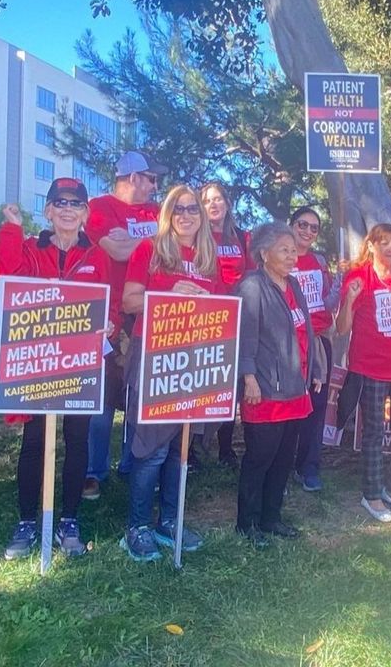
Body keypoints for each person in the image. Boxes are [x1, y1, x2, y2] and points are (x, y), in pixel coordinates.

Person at [0, 178, 110, 559]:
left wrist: (110, 324)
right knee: (34, 441)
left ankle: (69, 519)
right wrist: (12, 228)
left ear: (85, 213)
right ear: (47, 211)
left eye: (75, 204)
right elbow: (8, 276)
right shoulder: (30, 248)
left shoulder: (96, 256)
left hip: (80, 363)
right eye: (60, 202)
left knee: (77, 439)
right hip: (39, 362)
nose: (67, 209)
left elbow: (107, 302)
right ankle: (28, 520)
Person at [119, 185, 223, 561]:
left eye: (192, 209)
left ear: (202, 215)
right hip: (154, 355)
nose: (186, 215)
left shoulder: (209, 257)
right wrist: (167, 295)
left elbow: (220, 308)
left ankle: (169, 521)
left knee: (181, 445)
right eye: (178, 209)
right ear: (167, 213)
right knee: (152, 447)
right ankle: (138, 526)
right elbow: (129, 301)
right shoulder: (150, 249)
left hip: (193, 359)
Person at [235, 223, 326, 546]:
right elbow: (244, 336)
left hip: (295, 388)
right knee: (260, 458)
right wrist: (248, 378)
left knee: (284, 458)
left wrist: (315, 367)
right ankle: (247, 523)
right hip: (265, 389)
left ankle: (271, 518)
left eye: (293, 251)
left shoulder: (294, 285)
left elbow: (306, 330)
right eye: (284, 250)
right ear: (264, 254)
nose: (292, 256)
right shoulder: (252, 286)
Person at [82, 150, 167, 497]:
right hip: (107, 312)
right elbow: (116, 252)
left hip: (144, 310)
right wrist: (154, 241)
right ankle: (93, 471)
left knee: (140, 392)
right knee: (101, 397)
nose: (155, 186)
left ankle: (132, 463)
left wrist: (134, 241)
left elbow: (171, 249)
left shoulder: (158, 211)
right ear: (133, 177)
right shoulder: (99, 207)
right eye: (151, 179)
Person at [336, 223, 391, 523]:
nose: (390, 248)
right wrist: (350, 300)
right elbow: (342, 328)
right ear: (371, 246)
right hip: (371, 367)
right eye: (384, 242)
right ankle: (371, 494)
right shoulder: (358, 278)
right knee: (374, 431)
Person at [200, 181, 254, 467]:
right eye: (207, 200)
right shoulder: (196, 236)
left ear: (227, 203)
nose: (213, 204)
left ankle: (225, 447)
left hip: (238, 318)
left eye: (218, 198)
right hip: (206, 318)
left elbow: (252, 276)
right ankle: (193, 447)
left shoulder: (242, 238)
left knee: (231, 384)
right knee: (203, 382)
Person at [289, 207, 339, 492]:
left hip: (319, 341)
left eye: (314, 228)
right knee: (289, 403)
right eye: (302, 225)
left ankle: (308, 466)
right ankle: (282, 466)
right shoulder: (281, 257)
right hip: (290, 343)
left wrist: (343, 282)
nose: (307, 231)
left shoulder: (319, 261)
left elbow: (327, 301)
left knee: (317, 406)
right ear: (291, 225)